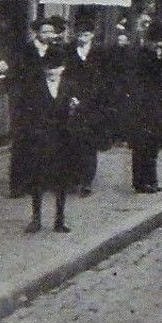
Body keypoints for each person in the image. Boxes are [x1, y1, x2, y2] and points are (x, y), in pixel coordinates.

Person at [19, 53, 80, 233]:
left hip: (62, 139)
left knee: (61, 180)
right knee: (38, 179)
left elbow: (78, 112)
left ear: (62, 69)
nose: (52, 72)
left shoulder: (70, 86)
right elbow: (28, 112)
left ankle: (59, 220)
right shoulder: (35, 87)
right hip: (41, 138)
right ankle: (36, 219)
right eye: (48, 69)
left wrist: (74, 109)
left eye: (56, 68)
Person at [7, 16, 66, 199]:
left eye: (50, 31)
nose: (48, 34)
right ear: (37, 32)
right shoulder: (25, 51)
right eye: (44, 31)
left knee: (45, 145)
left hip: (48, 106)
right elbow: (14, 78)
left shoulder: (56, 51)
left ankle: (40, 182)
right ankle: (18, 185)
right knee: (23, 145)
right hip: (27, 106)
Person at [118, 23, 162, 194]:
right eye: (157, 42)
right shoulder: (142, 57)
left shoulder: (156, 56)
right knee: (142, 146)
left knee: (152, 145)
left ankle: (151, 180)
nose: (159, 45)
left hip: (155, 106)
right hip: (143, 107)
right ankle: (141, 182)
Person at [62, 19, 105, 196]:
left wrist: (89, 99)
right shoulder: (68, 51)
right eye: (79, 34)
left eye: (86, 34)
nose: (82, 37)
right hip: (72, 101)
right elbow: (64, 75)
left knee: (89, 143)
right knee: (72, 141)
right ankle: (73, 178)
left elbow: (103, 79)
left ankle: (87, 181)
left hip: (92, 104)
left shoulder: (99, 53)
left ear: (92, 35)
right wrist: (71, 96)